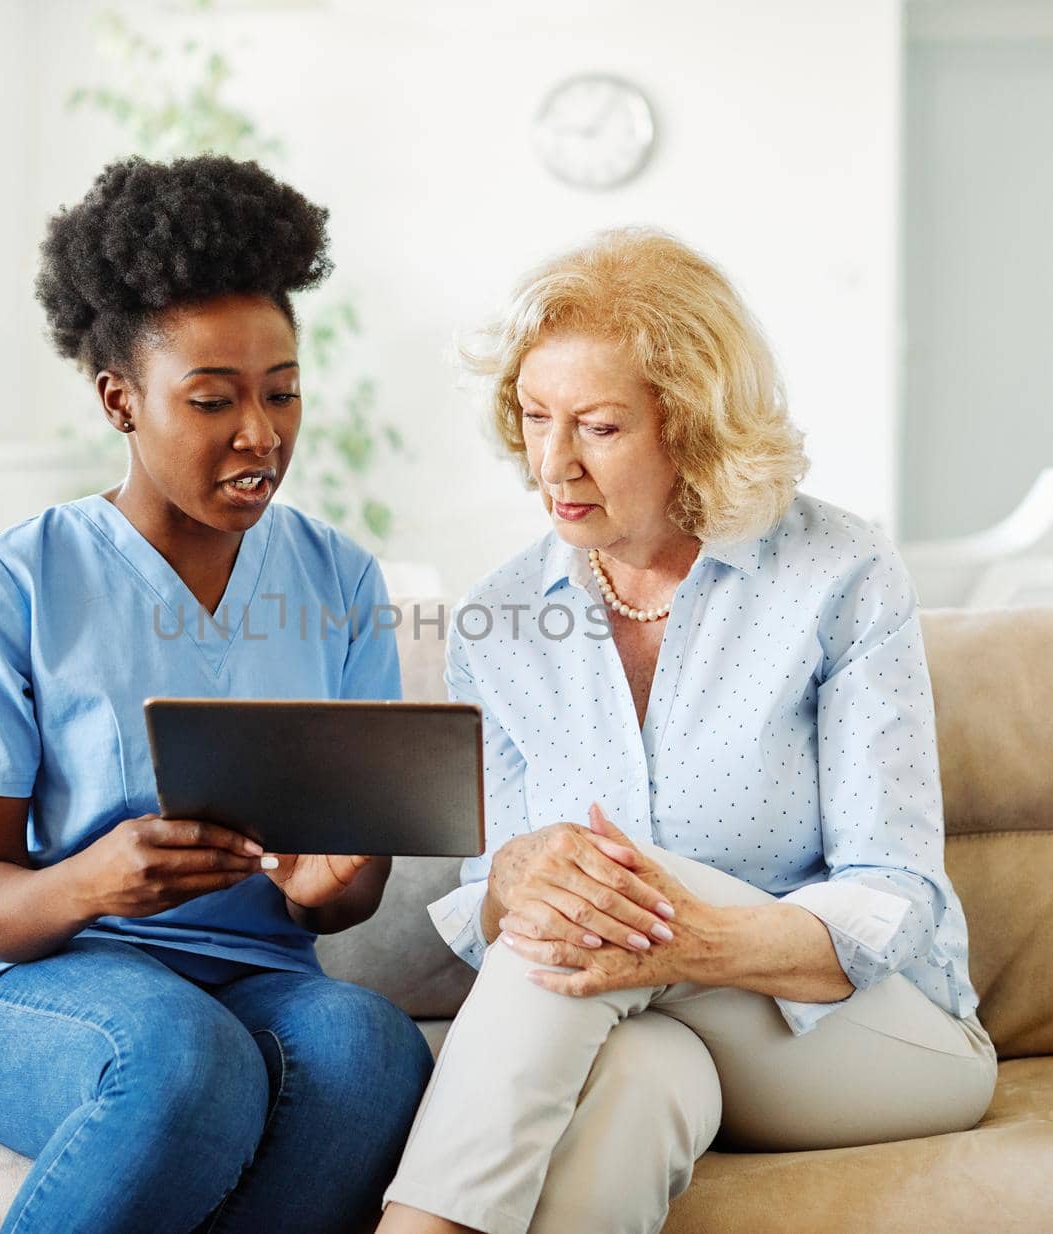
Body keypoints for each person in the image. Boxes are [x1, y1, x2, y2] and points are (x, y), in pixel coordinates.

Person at [377, 228, 996, 1234]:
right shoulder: (499, 620)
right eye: (534, 417)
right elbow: (495, 903)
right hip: (650, 1028)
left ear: (694, 427)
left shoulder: (836, 574)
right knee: (633, 1077)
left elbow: (895, 892)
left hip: (862, 1037)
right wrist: (516, 872)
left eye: (600, 427)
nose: (552, 461)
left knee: (591, 887)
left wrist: (690, 940)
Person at [0, 154, 433, 1234]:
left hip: (260, 973)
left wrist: (330, 881)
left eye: (282, 391)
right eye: (212, 399)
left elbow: (348, 896)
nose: (261, 433)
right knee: (184, 1056)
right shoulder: (9, 583)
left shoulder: (339, 579)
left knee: (373, 1044)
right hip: (47, 983)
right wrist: (92, 881)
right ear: (120, 400)